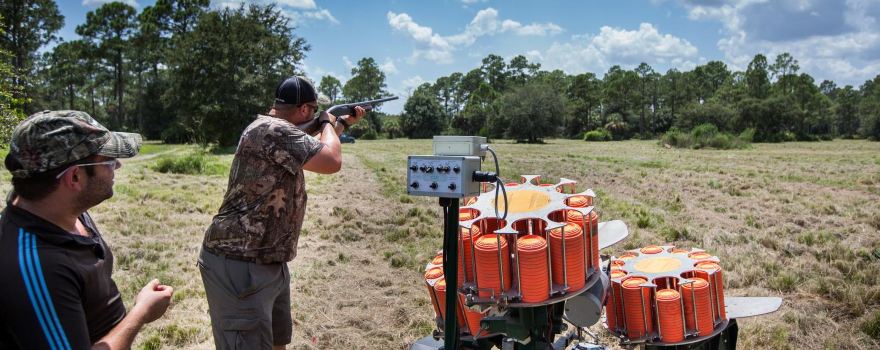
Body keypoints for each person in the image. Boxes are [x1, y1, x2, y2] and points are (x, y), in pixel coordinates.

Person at [199, 75, 365, 349]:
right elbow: (331, 160)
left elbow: (311, 144)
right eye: (313, 110)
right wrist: (327, 122)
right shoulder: (272, 129)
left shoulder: (274, 129)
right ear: (303, 110)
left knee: (277, 342)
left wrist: (341, 123)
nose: (315, 115)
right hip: (241, 262)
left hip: (266, 260)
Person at [0, 110, 174, 349]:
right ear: (75, 177)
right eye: (109, 160)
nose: (118, 165)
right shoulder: (38, 266)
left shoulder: (59, 207)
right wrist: (140, 313)